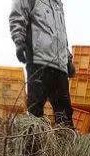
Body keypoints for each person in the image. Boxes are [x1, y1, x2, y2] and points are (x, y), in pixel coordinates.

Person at [9, 0, 76, 128]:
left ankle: (65, 146)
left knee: (65, 115)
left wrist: (67, 59)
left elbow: (60, 35)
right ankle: (33, 145)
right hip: (39, 62)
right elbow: (17, 16)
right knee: (35, 110)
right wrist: (19, 42)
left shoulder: (58, 4)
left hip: (60, 67)